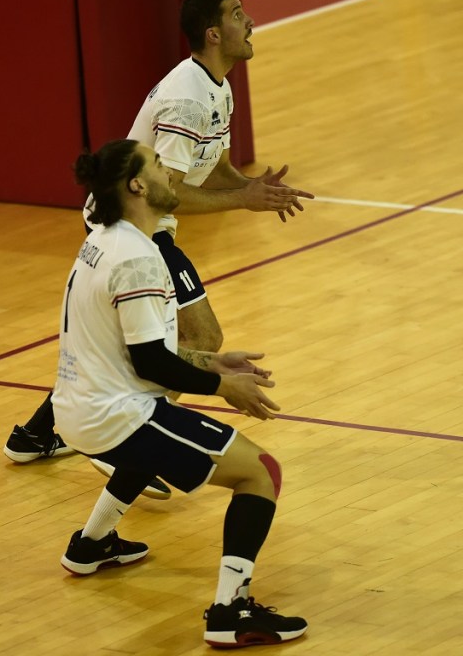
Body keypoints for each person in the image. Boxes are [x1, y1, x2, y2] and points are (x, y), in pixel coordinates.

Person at [2, 0, 315, 500]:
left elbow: (212, 167)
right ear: (213, 34)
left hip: (149, 227)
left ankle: (37, 433)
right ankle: (121, 444)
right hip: (130, 227)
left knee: (134, 347)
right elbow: (166, 192)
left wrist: (250, 188)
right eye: (238, 14)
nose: (250, 21)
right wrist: (243, 200)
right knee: (200, 337)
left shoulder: (217, 86)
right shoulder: (185, 100)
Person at [55, 138, 307, 648]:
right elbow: (151, 364)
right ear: (137, 185)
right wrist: (222, 386)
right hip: (114, 414)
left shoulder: (105, 238)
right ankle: (230, 612)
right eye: (157, 165)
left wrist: (211, 360)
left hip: (80, 406)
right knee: (261, 472)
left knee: (158, 438)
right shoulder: (138, 259)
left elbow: (141, 351)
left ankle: (91, 544)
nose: (171, 172)